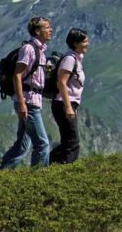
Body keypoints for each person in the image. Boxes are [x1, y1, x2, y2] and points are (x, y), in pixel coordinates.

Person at [0, 16, 52, 168]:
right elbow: (17, 75)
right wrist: (22, 103)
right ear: (37, 31)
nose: (50, 30)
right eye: (47, 27)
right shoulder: (29, 49)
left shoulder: (41, 51)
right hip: (28, 102)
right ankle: (39, 180)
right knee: (42, 144)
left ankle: (0, 172)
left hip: (32, 101)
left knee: (23, 145)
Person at [50, 28, 89, 164]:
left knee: (68, 141)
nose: (87, 44)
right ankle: (66, 171)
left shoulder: (76, 58)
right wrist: (68, 107)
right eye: (85, 41)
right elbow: (62, 83)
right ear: (76, 43)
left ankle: (50, 164)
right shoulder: (69, 59)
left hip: (67, 104)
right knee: (72, 142)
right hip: (63, 103)